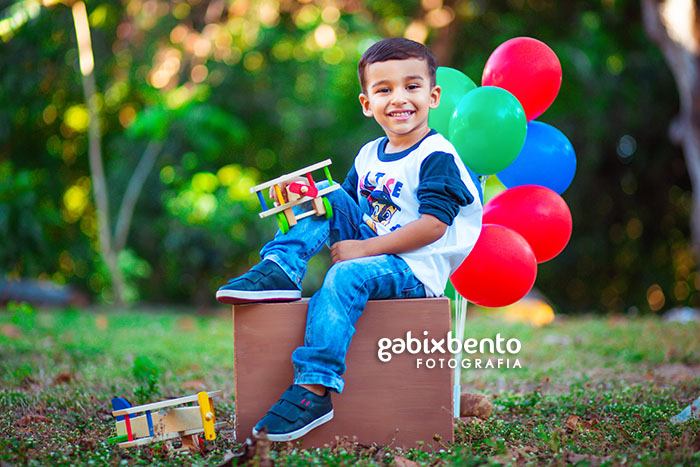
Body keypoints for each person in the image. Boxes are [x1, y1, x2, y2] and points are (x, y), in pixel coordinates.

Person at [216, 37, 483, 442]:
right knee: (319, 193)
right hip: (377, 249)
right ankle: (280, 270)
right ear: (366, 103)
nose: (399, 99)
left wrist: (363, 248)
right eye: (384, 89)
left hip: (416, 266)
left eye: (411, 87)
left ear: (433, 96)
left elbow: (433, 226)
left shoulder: (436, 156)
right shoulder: (369, 154)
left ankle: (315, 388)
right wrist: (302, 197)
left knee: (344, 277)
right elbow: (344, 205)